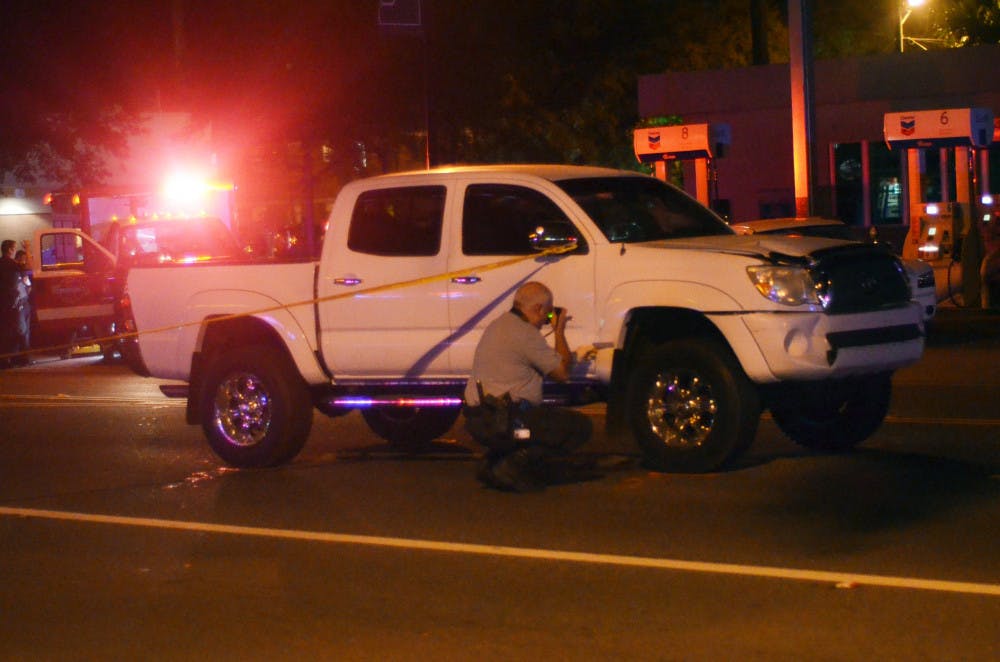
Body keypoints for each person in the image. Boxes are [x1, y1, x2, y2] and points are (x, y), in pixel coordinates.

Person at [463, 281, 593, 492]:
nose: (546, 320)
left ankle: (494, 461)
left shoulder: (498, 325)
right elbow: (562, 373)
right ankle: (513, 464)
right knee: (577, 427)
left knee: (537, 420)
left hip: (482, 419)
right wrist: (559, 331)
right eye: (548, 314)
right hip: (508, 424)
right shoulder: (525, 334)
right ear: (538, 309)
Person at [1, 239, 29, 367]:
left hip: (4, 301)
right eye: (14, 248)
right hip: (11, 302)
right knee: (17, 330)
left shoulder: (2, 262)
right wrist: (27, 248)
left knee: (7, 330)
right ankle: (9, 359)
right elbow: (28, 267)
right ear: (10, 250)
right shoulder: (10, 263)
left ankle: (10, 358)